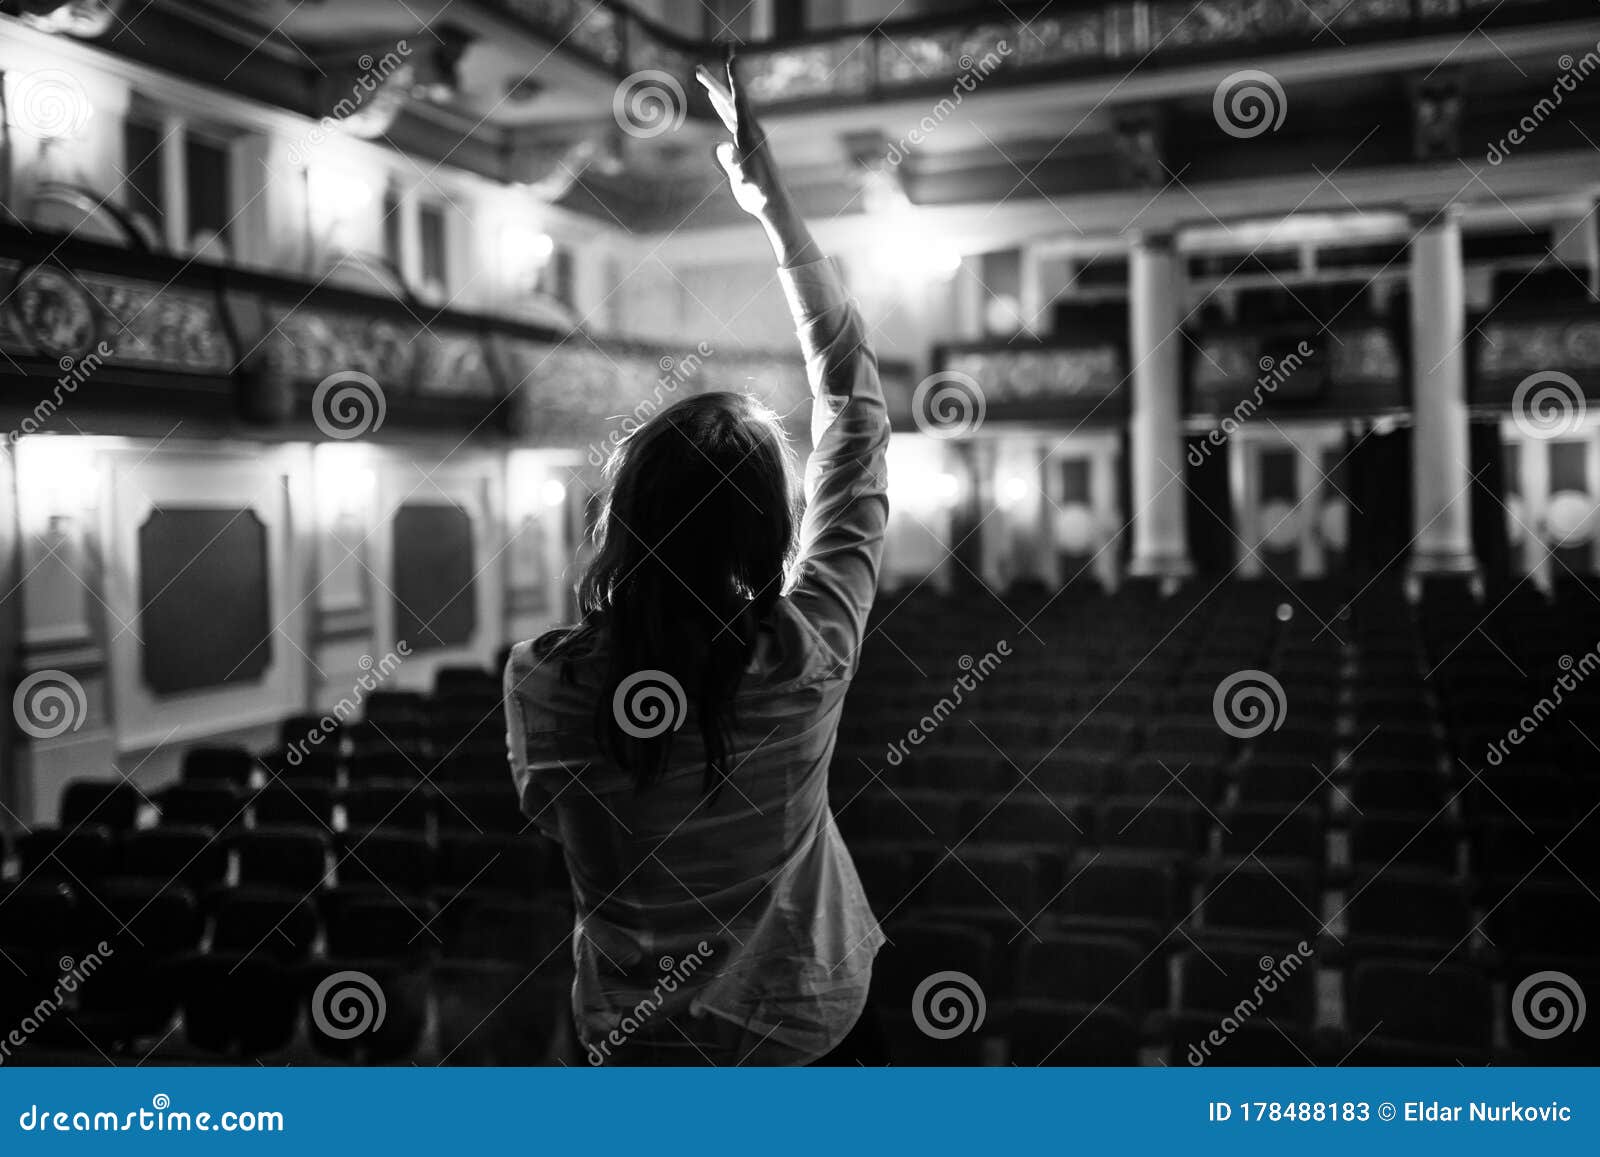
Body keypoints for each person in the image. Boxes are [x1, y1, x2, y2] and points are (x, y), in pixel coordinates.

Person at [503, 52, 889, 1066]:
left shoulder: (544, 681)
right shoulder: (807, 655)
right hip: (795, 1022)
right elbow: (854, 405)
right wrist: (772, 208)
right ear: (772, 531)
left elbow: (558, 815)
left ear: (621, 519)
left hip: (633, 1037)